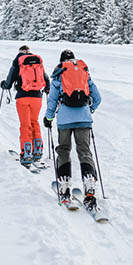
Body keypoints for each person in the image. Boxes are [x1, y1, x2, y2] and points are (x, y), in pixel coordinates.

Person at [43, 49, 102, 210]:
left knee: (63, 150)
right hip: (84, 119)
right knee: (84, 151)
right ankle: (90, 188)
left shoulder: (58, 76)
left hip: (64, 121)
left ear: (61, 61)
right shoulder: (84, 74)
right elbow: (97, 98)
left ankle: (65, 187)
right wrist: (89, 110)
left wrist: (48, 118)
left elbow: (53, 101)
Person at [1, 45, 49, 164]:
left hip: (23, 97)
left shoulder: (19, 62)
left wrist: (4, 85)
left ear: (20, 51)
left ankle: (26, 153)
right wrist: (47, 89)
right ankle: (37, 150)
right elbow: (46, 79)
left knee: (25, 124)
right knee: (34, 122)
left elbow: (9, 80)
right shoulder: (36, 62)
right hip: (37, 97)